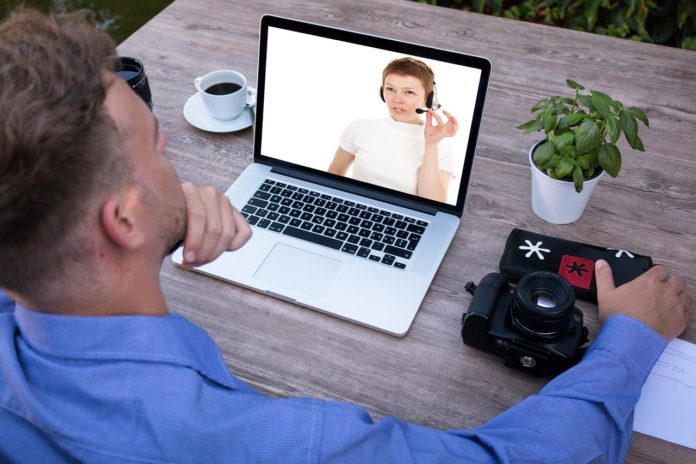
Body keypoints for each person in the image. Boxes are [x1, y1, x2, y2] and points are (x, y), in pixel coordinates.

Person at [0, 9, 692, 464]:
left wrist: (161, 214)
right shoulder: (289, 444)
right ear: (119, 220)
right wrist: (631, 342)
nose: (171, 159)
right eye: (157, 144)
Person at [328, 57, 459, 203]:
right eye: (390, 89)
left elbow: (434, 205)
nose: (397, 99)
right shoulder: (359, 127)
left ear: (429, 99)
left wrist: (431, 145)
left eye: (408, 92)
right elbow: (333, 176)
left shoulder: (442, 150)